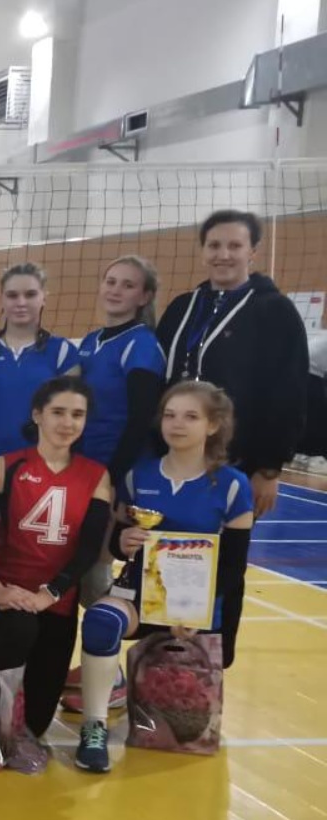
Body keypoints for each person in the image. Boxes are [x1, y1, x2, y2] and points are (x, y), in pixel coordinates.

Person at [73, 381, 255, 773]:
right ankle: (94, 728)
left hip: (200, 606)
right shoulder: (139, 476)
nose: (177, 424)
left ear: (213, 425)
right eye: (170, 415)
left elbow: (233, 566)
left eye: (191, 416)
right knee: (101, 621)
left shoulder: (232, 486)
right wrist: (124, 541)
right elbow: (118, 545)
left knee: (185, 721)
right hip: (143, 596)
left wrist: (191, 612)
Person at [157, 210, 310, 665]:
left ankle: (207, 667)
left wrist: (270, 468)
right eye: (215, 245)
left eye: (234, 245)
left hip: (235, 466)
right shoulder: (183, 307)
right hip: (173, 465)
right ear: (203, 250)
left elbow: (289, 393)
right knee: (166, 562)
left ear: (252, 252)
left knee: (223, 568)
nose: (223, 254)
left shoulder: (274, 311)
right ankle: (158, 665)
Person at [0, 377, 111, 774]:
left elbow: (87, 550)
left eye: (77, 414)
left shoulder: (96, 476)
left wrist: (52, 592)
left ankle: (19, 728)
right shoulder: (7, 466)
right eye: (58, 412)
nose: (67, 422)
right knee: (20, 629)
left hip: (56, 599)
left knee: (38, 719)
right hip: (3, 590)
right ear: (38, 415)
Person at [0, 263, 80, 466]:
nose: (21, 302)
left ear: (44, 298)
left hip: (42, 468)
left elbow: (71, 420)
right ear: (2, 300)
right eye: (12, 295)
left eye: (30, 294)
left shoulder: (63, 352)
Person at [78, 256, 165, 486]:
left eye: (128, 285)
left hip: (122, 470)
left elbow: (141, 420)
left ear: (145, 297)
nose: (115, 290)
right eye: (110, 282)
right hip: (85, 463)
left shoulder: (141, 344)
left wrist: (112, 477)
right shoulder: (90, 340)